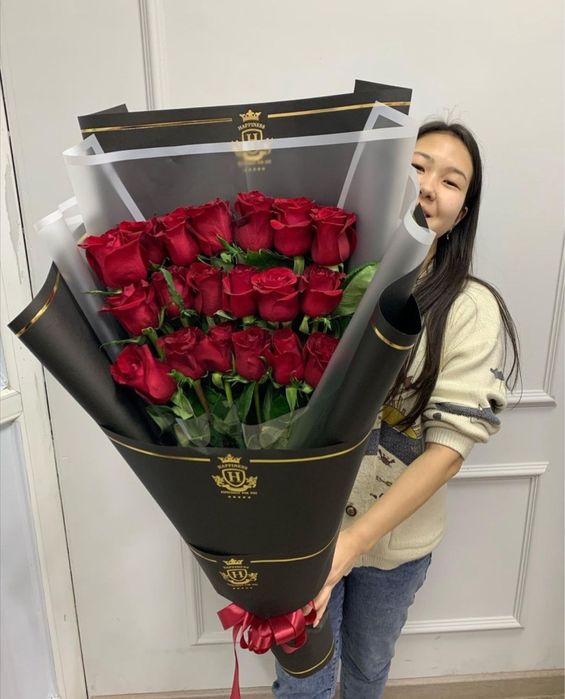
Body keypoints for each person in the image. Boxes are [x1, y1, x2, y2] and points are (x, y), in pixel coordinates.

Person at [272, 120, 521, 699]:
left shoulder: (469, 307)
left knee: (367, 668)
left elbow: (447, 451)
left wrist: (352, 543)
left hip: (396, 546)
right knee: (304, 685)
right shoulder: (318, 283)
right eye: (417, 167)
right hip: (303, 537)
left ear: (462, 213)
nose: (428, 186)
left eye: (451, 181)